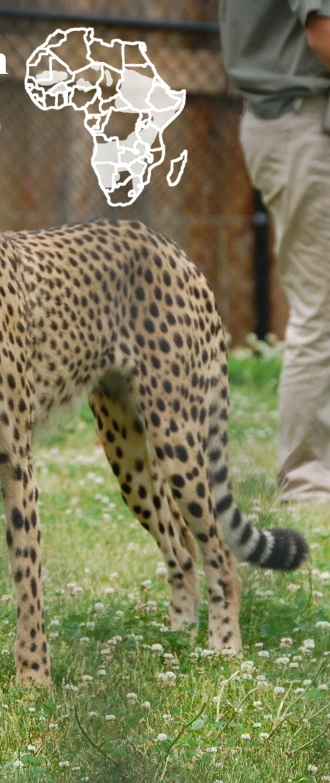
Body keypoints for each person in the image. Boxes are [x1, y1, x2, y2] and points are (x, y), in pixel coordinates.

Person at [219, 1, 330, 502]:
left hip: (293, 123)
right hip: (308, 126)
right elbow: (325, 32)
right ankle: (307, 484)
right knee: (322, 309)